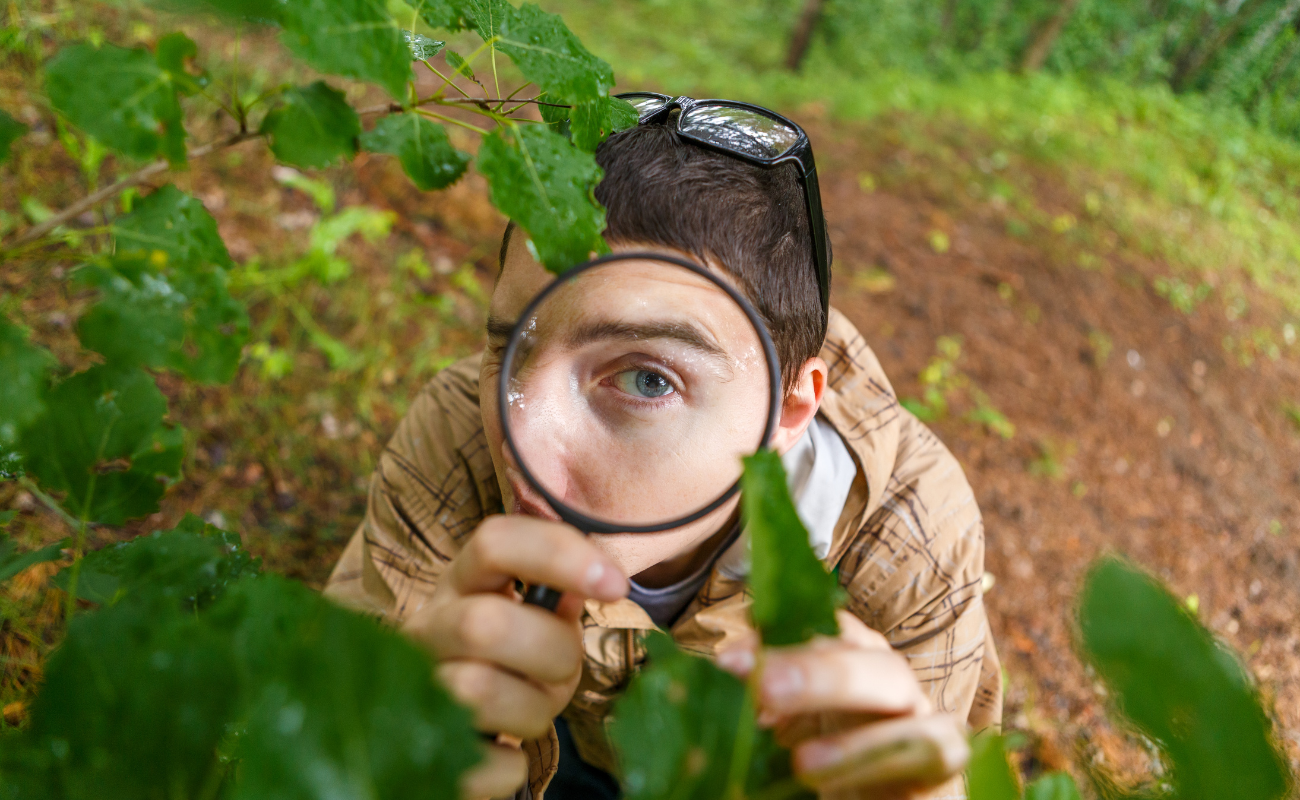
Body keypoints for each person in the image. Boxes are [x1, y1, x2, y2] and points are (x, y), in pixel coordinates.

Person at [325, 96, 1002, 800]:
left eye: (648, 378)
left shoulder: (910, 545)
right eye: (513, 349)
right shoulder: (461, 425)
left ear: (788, 409)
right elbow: (334, 701)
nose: (523, 435)